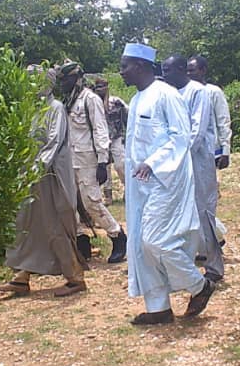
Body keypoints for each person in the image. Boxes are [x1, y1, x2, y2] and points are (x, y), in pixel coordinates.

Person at [120, 43, 215, 325]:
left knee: (156, 240)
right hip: (140, 184)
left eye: (125, 65)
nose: (121, 71)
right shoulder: (138, 99)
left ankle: (200, 286)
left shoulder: (167, 95)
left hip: (167, 181)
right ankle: (159, 307)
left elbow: (181, 138)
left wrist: (153, 162)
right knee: (140, 244)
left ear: (141, 65)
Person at [0, 67, 88, 296]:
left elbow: (53, 143)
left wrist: (35, 169)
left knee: (53, 224)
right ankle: (22, 276)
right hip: (29, 174)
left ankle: (75, 277)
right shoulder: (29, 109)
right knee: (24, 223)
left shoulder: (55, 108)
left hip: (49, 177)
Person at [161, 55, 224, 288]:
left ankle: (215, 267)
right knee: (179, 214)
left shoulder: (198, 92)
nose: (165, 74)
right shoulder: (169, 94)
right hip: (176, 164)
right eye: (162, 70)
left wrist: (179, 155)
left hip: (196, 162)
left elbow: (196, 131)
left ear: (181, 69)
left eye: (168, 70)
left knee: (203, 212)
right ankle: (184, 268)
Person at [58, 61, 127, 264]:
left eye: (66, 79)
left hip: (89, 159)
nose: (63, 83)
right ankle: (82, 242)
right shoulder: (69, 100)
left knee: (91, 202)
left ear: (76, 78)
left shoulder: (90, 100)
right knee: (72, 203)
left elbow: (100, 130)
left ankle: (117, 236)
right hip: (71, 160)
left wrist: (102, 162)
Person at [186, 55, 231, 170]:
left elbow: (223, 121)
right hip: (191, 149)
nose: (189, 74)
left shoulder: (213, 91)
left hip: (211, 149)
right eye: (187, 71)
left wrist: (225, 151)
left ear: (203, 70)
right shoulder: (185, 93)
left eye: (192, 70)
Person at [91, 76, 127, 202]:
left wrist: (126, 135)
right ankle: (108, 196)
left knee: (120, 165)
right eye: (98, 87)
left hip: (116, 137)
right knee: (104, 167)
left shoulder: (116, 102)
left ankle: (128, 189)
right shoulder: (93, 104)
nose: (100, 90)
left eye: (103, 87)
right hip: (101, 140)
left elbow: (128, 116)